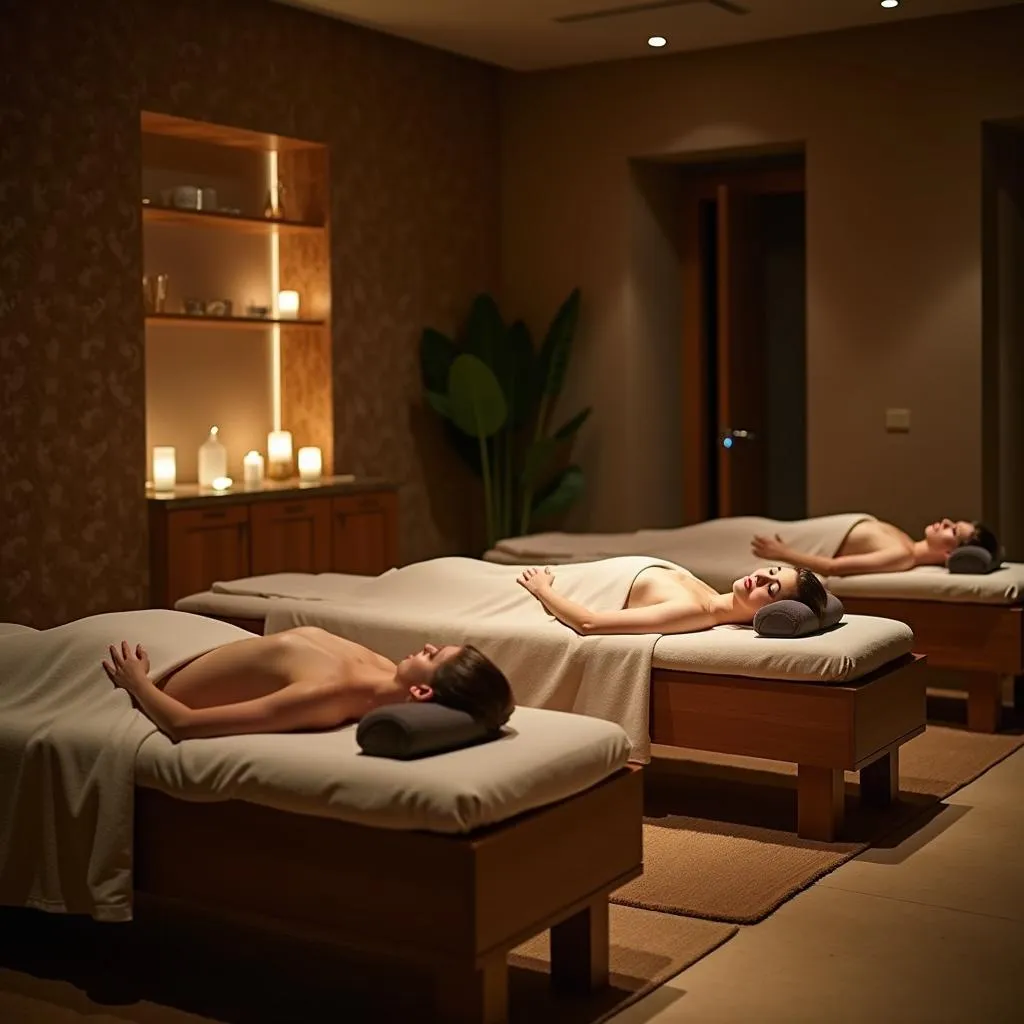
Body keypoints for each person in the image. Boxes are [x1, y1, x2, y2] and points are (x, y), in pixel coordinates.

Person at [102, 628, 514, 742]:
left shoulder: (328, 696)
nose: (426, 646)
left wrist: (138, 684)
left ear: (423, 693)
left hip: (138, 667)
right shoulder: (381, 665)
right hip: (179, 636)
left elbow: (186, 725)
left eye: (433, 656)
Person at [517, 562, 828, 635]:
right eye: (771, 570)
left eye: (770, 588)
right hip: (556, 574)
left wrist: (542, 589)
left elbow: (589, 623)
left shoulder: (693, 612)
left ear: (770, 611)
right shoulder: (708, 594)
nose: (760, 577)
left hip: (539, 587)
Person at [751, 517, 1000, 578]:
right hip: (793, 530)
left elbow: (833, 567)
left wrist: (782, 553)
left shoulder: (903, 555)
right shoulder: (907, 542)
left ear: (949, 553)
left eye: (953, 531)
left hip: (784, 542)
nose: (945, 522)